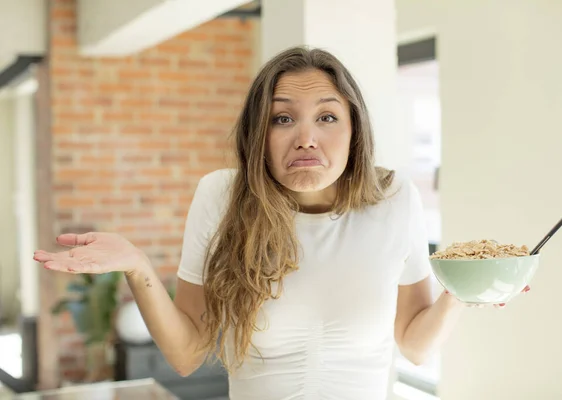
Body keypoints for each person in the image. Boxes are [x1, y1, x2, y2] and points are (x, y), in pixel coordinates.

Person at [33, 46, 524, 400]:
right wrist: (137, 266)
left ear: (355, 131)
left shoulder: (394, 198)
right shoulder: (222, 197)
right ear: (258, 135)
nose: (306, 138)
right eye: (282, 119)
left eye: (328, 118)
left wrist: (465, 287)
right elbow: (186, 354)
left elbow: (415, 344)